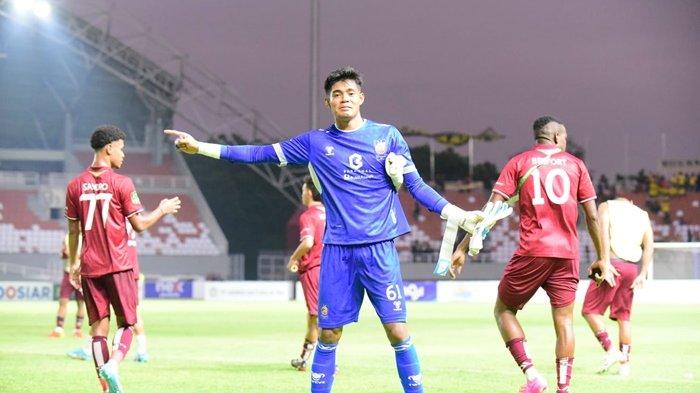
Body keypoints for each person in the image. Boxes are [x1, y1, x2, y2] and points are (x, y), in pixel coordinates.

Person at [165, 66, 484, 393]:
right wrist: (200, 147)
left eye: (349, 93)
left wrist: (455, 212)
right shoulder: (315, 143)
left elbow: (415, 185)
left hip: (379, 251)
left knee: (397, 331)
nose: (343, 98)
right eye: (336, 94)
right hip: (338, 252)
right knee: (329, 334)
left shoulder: (387, 137)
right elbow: (259, 154)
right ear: (327, 102)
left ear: (361, 97)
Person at [451, 116, 612, 393]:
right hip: (567, 254)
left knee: (503, 310)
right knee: (564, 321)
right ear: (558, 136)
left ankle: (532, 375)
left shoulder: (519, 162)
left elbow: (492, 210)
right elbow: (593, 217)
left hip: (533, 251)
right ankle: (565, 388)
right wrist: (603, 259)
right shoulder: (575, 165)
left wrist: (463, 247)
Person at [65, 125, 181, 393]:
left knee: (97, 331)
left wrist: (74, 262)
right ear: (109, 148)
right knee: (127, 323)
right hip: (119, 265)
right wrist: (162, 209)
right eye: (121, 148)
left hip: (90, 266)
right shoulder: (122, 183)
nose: (123, 154)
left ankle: (105, 389)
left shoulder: (74, 185)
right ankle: (114, 364)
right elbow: (139, 225)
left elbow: (73, 231)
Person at [581, 197, 653, 377]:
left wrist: (604, 261)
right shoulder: (642, 214)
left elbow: (601, 232)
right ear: (630, 201)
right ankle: (625, 365)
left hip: (612, 264)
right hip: (631, 268)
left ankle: (611, 350)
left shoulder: (607, 206)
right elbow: (649, 245)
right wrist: (643, 273)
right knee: (624, 317)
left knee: (589, 311)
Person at [288, 176, 326, 371]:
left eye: (303, 190)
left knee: (317, 316)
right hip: (329, 268)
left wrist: (294, 258)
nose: (302, 194)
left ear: (309, 192)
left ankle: (327, 362)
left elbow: (308, 242)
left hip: (313, 269)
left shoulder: (308, 215)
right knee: (320, 316)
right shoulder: (329, 213)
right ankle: (304, 359)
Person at [50, 233, 85, 339]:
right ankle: (58, 329)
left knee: (81, 303)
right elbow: (63, 253)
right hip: (68, 272)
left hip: (81, 274)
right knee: (63, 301)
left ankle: (78, 330)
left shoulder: (86, 236)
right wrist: (64, 253)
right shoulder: (67, 235)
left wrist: (72, 254)